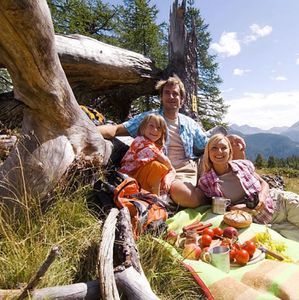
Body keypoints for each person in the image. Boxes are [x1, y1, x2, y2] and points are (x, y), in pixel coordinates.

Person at [100, 75, 245, 208]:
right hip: (165, 170)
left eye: (175, 93)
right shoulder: (150, 118)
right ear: (161, 98)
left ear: (181, 99)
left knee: (236, 148)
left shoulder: (189, 123)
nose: (171, 96)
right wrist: (91, 130)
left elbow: (205, 143)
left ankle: (244, 193)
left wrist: (228, 139)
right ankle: (213, 198)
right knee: (189, 198)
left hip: (189, 167)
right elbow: (117, 129)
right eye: (167, 93)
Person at [197, 133, 299, 241]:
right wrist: (233, 209)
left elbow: (263, 183)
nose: (219, 152)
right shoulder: (205, 182)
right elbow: (216, 209)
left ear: (230, 151)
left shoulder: (243, 165)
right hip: (264, 223)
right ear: (208, 152)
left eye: (224, 148)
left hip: (281, 203)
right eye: (214, 148)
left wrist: (262, 197)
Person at [119, 114, 175, 196]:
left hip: (142, 178)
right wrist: (171, 170)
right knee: (157, 166)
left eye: (159, 128)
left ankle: (154, 193)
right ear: (143, 127)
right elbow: (164, 160)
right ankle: (155, 196)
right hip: (132, 175)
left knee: (161, 169)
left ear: (162, 132)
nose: (155, 130)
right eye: (151, 126)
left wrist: (169, 174)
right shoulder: (141, 141)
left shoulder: (157, 146)